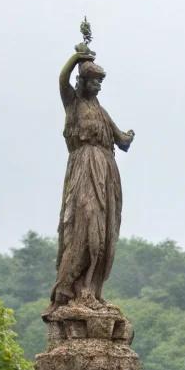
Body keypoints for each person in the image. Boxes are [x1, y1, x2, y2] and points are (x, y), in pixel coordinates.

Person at [50, 43, 134, 306]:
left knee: (104, 229)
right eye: (93, 81)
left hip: (106, 171)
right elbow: (62, 79)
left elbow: (122, 141)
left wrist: (128, 136)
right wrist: (77, 57)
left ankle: (91, 288)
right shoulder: (73, 103)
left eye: (100, 82)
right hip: (84, 167)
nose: (97, 86)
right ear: (82, 82)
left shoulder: (100, 111)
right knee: (85, 223)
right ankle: (69, 287)